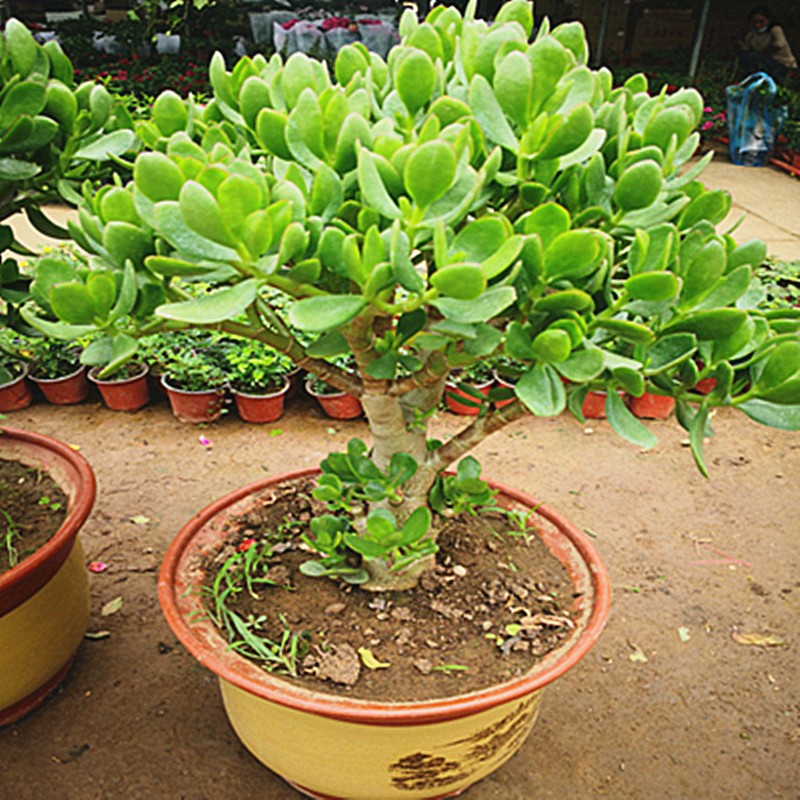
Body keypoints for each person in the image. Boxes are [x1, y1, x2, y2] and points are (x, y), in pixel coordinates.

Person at [740, 5, 797, 82]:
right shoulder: (752, 34)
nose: (758, 25)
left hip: (783, 65)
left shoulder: (775, 30)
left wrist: (762, 50)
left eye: (761, 21)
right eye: (755, 21)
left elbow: (779, 44)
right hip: (765, 63)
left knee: (755, 56)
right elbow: (746, 49)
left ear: (768, 20)